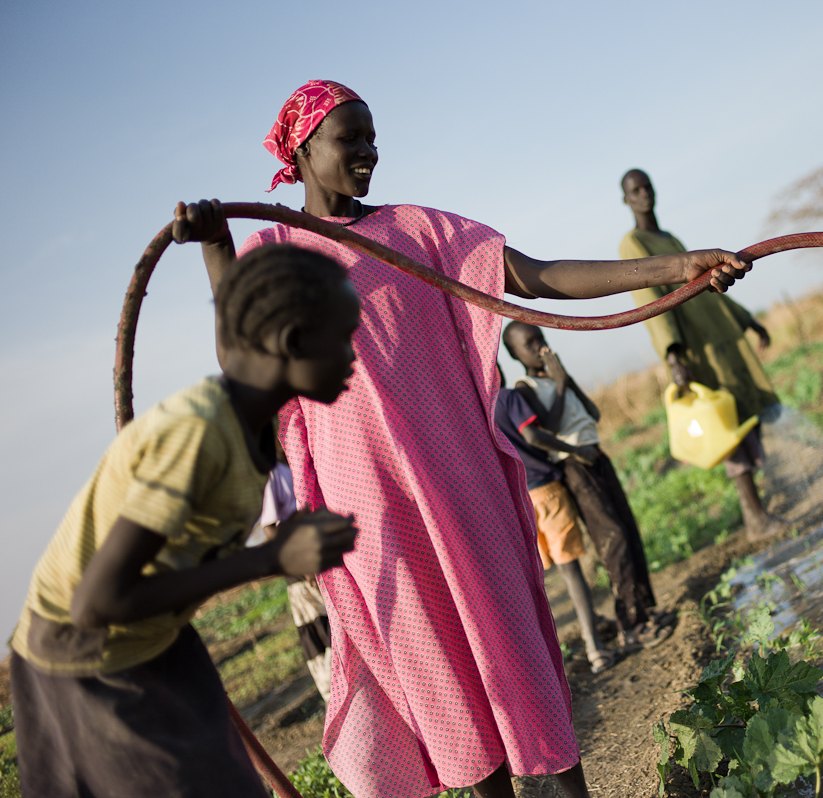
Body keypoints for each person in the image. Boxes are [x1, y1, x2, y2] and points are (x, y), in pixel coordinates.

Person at [171, 80, 751, 798]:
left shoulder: (419, 232)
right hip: (371, 509)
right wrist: (216, 249)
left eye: (373, 136)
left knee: (514, 654)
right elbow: (242, 357)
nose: (369, 152)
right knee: (444, 679)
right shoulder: (274, 248)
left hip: (461, 482)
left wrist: (674, 268)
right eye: (350, 138)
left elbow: (535, 276)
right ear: (302, 150)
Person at [7, 244, 360, 798]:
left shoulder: (251, 420)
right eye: (344, 338)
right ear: (291, 343)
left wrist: (216, 241)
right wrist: (271, 559)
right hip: (87, 658)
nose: (353, 357)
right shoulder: (196, 433)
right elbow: (96, 603)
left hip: (159, 637)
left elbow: (242, 336)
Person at [618, 168, 784, 540]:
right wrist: (673, 353)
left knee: (744, 416)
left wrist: (746, 320)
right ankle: (756, 519)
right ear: (626, 199)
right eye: (635, 190)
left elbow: (707, 284)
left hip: (720, 334)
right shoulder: (634, 243)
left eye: (647, 186)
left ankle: (760, 509)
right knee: (727, 427)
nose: (644, 194)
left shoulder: (669, 237)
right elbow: (651, 299)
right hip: (697, 347)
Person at [503, 322, 673, 651]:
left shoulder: (556, 377)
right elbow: (547, 428)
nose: (539, 346)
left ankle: (645, 609)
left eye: (541, 338)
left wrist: (567, 380)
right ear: (515, 354)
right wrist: (562, 384)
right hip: (573, 465)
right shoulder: (525, 389)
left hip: (596, 455)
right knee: (613, 538)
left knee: (628, 530)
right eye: (529, 343)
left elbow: (592, 412)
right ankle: (631, 625)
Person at [493, 365, 615, 674]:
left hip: (518, 501)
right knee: (571, 571)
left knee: (544, 578)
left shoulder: (478, 411)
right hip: (547, 491)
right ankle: (595, 647)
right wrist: (574, 449)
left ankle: (554, 655)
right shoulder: (507, 398)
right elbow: (533, 434)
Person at [259, 451, 334, 701]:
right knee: (320, 638)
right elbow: (270, 528)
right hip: (303, 575)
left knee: (337, 630)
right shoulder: (274, 474)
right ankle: (335, 702)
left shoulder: (300, 462)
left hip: (322, 563)